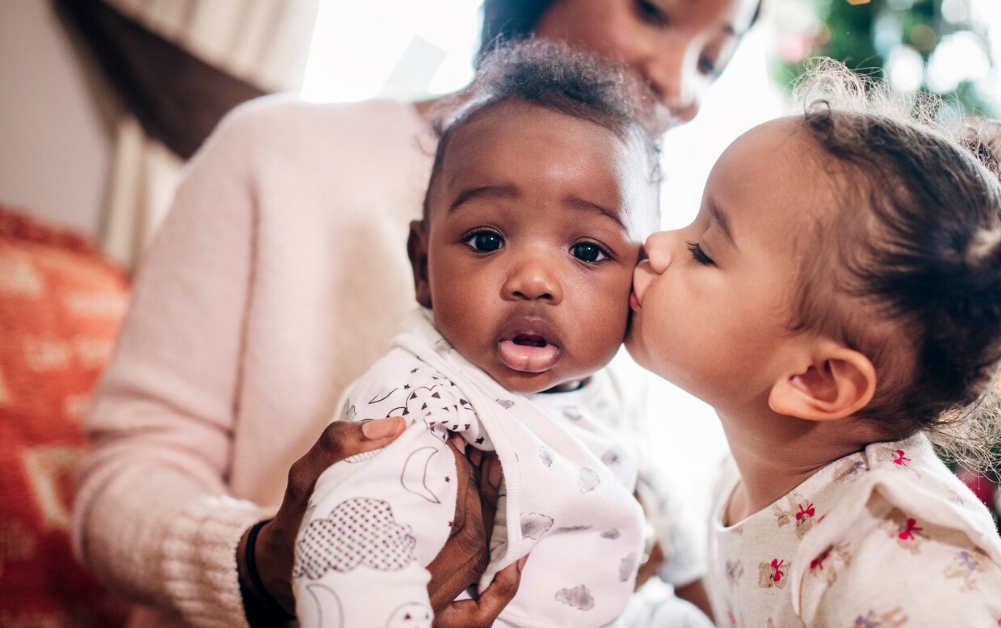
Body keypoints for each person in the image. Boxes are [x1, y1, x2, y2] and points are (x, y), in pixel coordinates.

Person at [72, 1, 760, 627]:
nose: (680, 84)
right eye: (654, 11)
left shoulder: (631, 254)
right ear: (421, 262)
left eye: (712, 60)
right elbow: (115, 489)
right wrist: (262, 564)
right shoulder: (273, 152)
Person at [623, 63, 1001, 626]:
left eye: (705, 251)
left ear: (818, 381)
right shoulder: (746, 474)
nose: (657, 245)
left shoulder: (905, 572)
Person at [292, 41, 712, 628]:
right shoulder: (425, 403)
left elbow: (657, 491)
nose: (534, 280)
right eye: (487, 240)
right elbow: (347, 555)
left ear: (637, 281)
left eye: (588, 250)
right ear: (422, 268)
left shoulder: (602, 385)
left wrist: (701, 595)